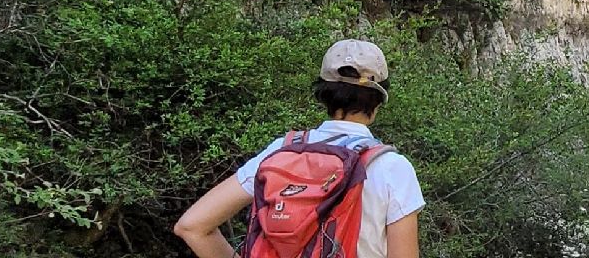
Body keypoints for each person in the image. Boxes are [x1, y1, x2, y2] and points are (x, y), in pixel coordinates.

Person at [174, 39, 423, 258]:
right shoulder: (393, 168)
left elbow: (192, 226)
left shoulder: (281, 150)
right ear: (379, 101)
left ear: (324, 93)